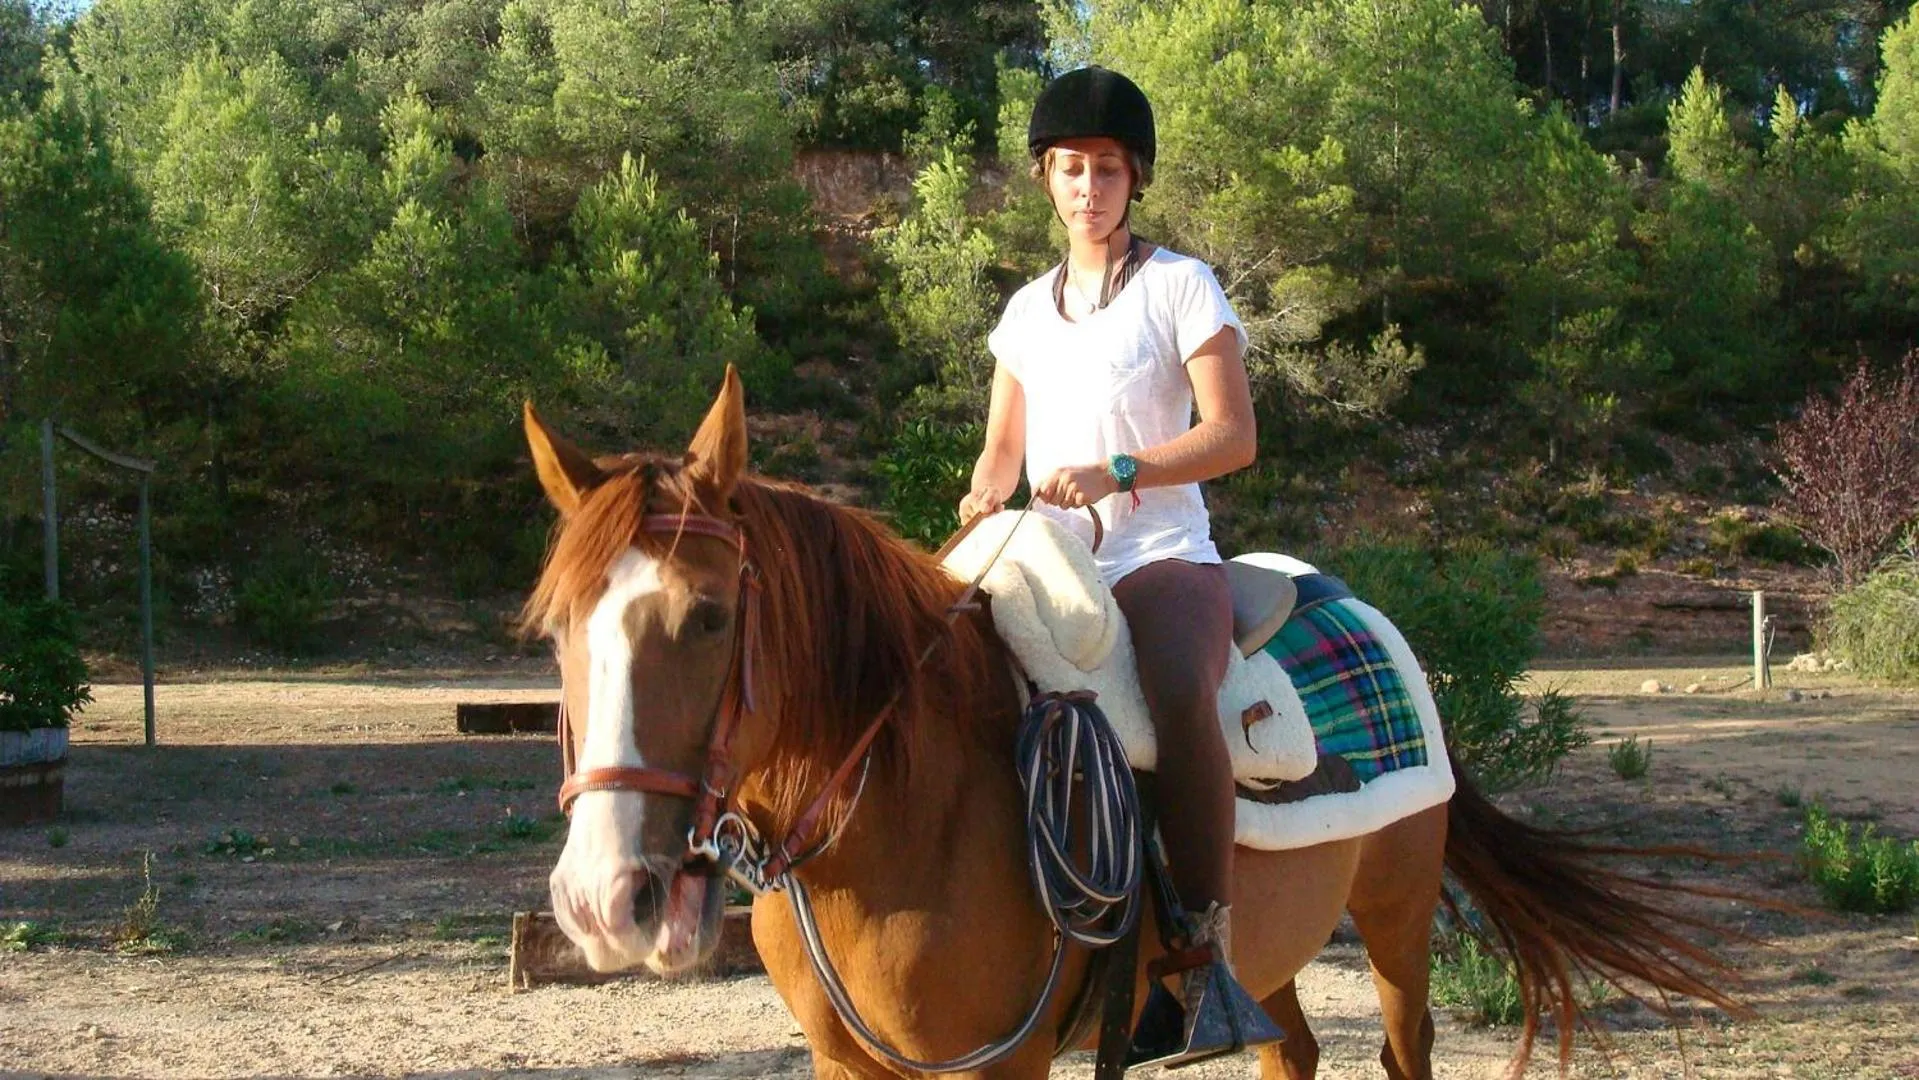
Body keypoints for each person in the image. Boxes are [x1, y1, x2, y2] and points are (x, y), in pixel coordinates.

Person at [957, 66, 1269, 1055]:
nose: (1085, 187)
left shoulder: (1181, 286)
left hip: (1162, 557)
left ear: (1132, 179)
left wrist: (1120, 469)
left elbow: (1232, 434)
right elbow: (1003, 450)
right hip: (1050, 556)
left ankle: (1203, 955)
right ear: (1044, 180)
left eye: (1103, 169)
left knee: (1176, 687)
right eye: (1067, 169)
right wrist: (980, 497)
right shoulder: (1021, 313)